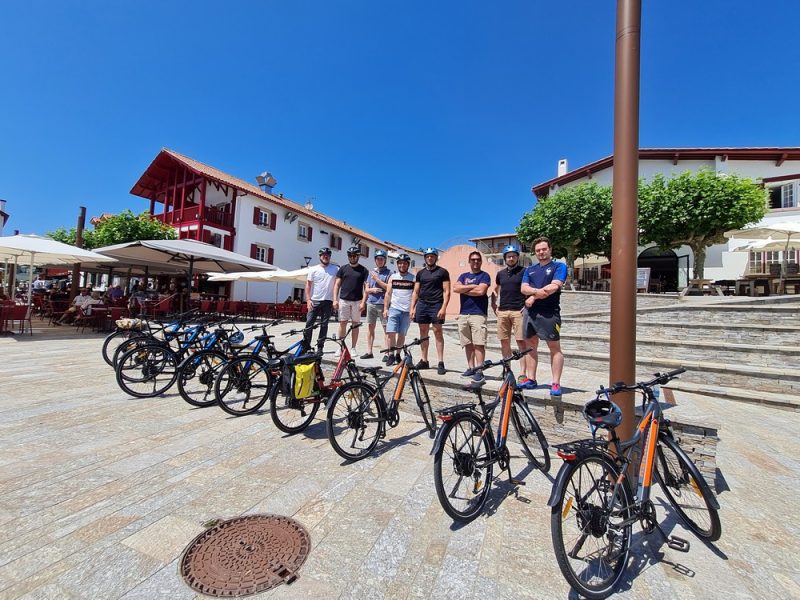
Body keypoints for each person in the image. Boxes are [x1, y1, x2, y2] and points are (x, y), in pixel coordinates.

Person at [520, 237, 568, 396]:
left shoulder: (559, 266)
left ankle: (555, 383)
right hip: (530, 313)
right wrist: (535, 293)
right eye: (538, 250)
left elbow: (554, 286)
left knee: (554, 348)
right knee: (530, 346)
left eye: (544, 249)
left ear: (550, 250)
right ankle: (531, 379)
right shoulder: (530, 270)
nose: (541, 252)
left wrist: (533, 296)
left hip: (549, 313)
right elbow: (523, 288)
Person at [491, 245, 531, 387]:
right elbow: (495, 290)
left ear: (517, 257)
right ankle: (507, 370)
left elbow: (529, 290)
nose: (511, 258)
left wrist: (526, 305)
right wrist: (493, 305)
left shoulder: (524, 272)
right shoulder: (500, 274)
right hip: (502, 311)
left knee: (521, 342)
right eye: (509, 256)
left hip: (518, 312)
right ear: (505, 258)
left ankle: (522, 373)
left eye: (513, 256)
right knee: (504, 341)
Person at [410, 247, 450, 375]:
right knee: (423, 332)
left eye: (432, 256)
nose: (430, 258)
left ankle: (440, 362)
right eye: (427, 256)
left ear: (436, 257)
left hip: (436, 305)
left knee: (438, 332)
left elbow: (447, 291)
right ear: (425, 258)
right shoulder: (420, 273)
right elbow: (416, 291)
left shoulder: (443, 272)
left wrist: (444, 307)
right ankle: (424, 360)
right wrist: (412, 308)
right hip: (422, 305)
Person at [452, 251, 491, 385]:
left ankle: (479, 370)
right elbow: (455, 288)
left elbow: (481, 291)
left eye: (478, 260)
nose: (475, 262)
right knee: (467, 343)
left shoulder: (485, 276)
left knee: (479, 343)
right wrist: (472, 286)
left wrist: (464, 289)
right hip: (463, 314)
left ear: (481, 261)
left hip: (478, 313)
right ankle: (471, 367)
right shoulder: (463, 275)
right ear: (469, 262)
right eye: (473, 260)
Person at [332, 245, 369, 355]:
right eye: (350, 256)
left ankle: (353, 348)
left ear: (358, 256)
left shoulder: (363, 270)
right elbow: (337, 285)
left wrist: (363, 302)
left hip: (357, 301)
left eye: (354, 256)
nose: (352, 257)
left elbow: (366, 287)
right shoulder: (343, 269)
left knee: (355, 324)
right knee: (342, 323)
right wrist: (335, 299)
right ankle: (341, 346)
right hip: (344, 300)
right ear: (348, 256)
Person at [382, 252, 415, 366]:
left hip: (406, 311)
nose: (402, 265)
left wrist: (413, 309)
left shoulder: (413, 278)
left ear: (408, 264)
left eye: (404, 263)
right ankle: (391, 355)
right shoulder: (393, 277)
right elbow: (388, 293)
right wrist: (386, 308)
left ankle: (397, 354)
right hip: (394, 309)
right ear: (397, 264)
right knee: (391, 332)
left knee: (402, 334)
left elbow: (416, 295)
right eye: (400, 263)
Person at [304, 247, 338, 350]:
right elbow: (308, 285)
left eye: (327, 255)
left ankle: (320, 347)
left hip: (328, 301)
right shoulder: (313, 269)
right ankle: (306, 346)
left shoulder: (336, 269)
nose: (325, 256)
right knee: (309, 324)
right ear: (320, 257)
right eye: (323, 255)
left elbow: (339, 283)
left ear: (330, 257)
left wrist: (336, 300)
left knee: (324, 325)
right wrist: (308, 300)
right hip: (315, 300)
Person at [362, 249, 392, 360]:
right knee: (370, 328)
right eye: (378, 259)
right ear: (375, 260)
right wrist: (371, 290)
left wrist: (377, 280)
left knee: (386, 329)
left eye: (381, 259)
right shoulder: (371, 273)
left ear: (385, 260)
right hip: (371, 303)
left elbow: (388, 288)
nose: (379, 261)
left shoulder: (389, 273)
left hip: (383, 304)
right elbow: (366, 289)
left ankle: (387, 353)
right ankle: (369, 351)